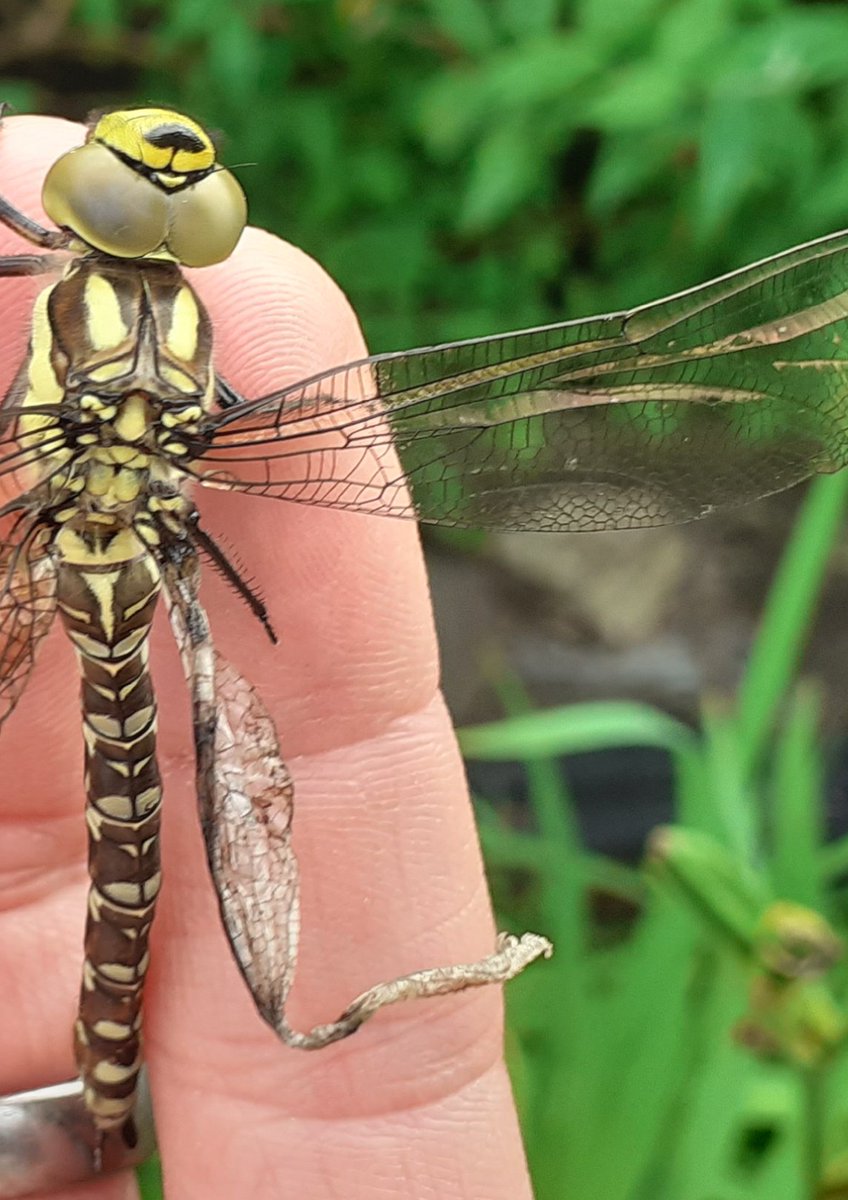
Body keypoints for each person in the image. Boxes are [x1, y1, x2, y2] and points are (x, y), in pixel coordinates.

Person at [0, 112, 537, 1199]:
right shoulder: (195, 326)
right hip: (156, 558)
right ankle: (90, 1116)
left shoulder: (48, 277)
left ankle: (95, 1110)